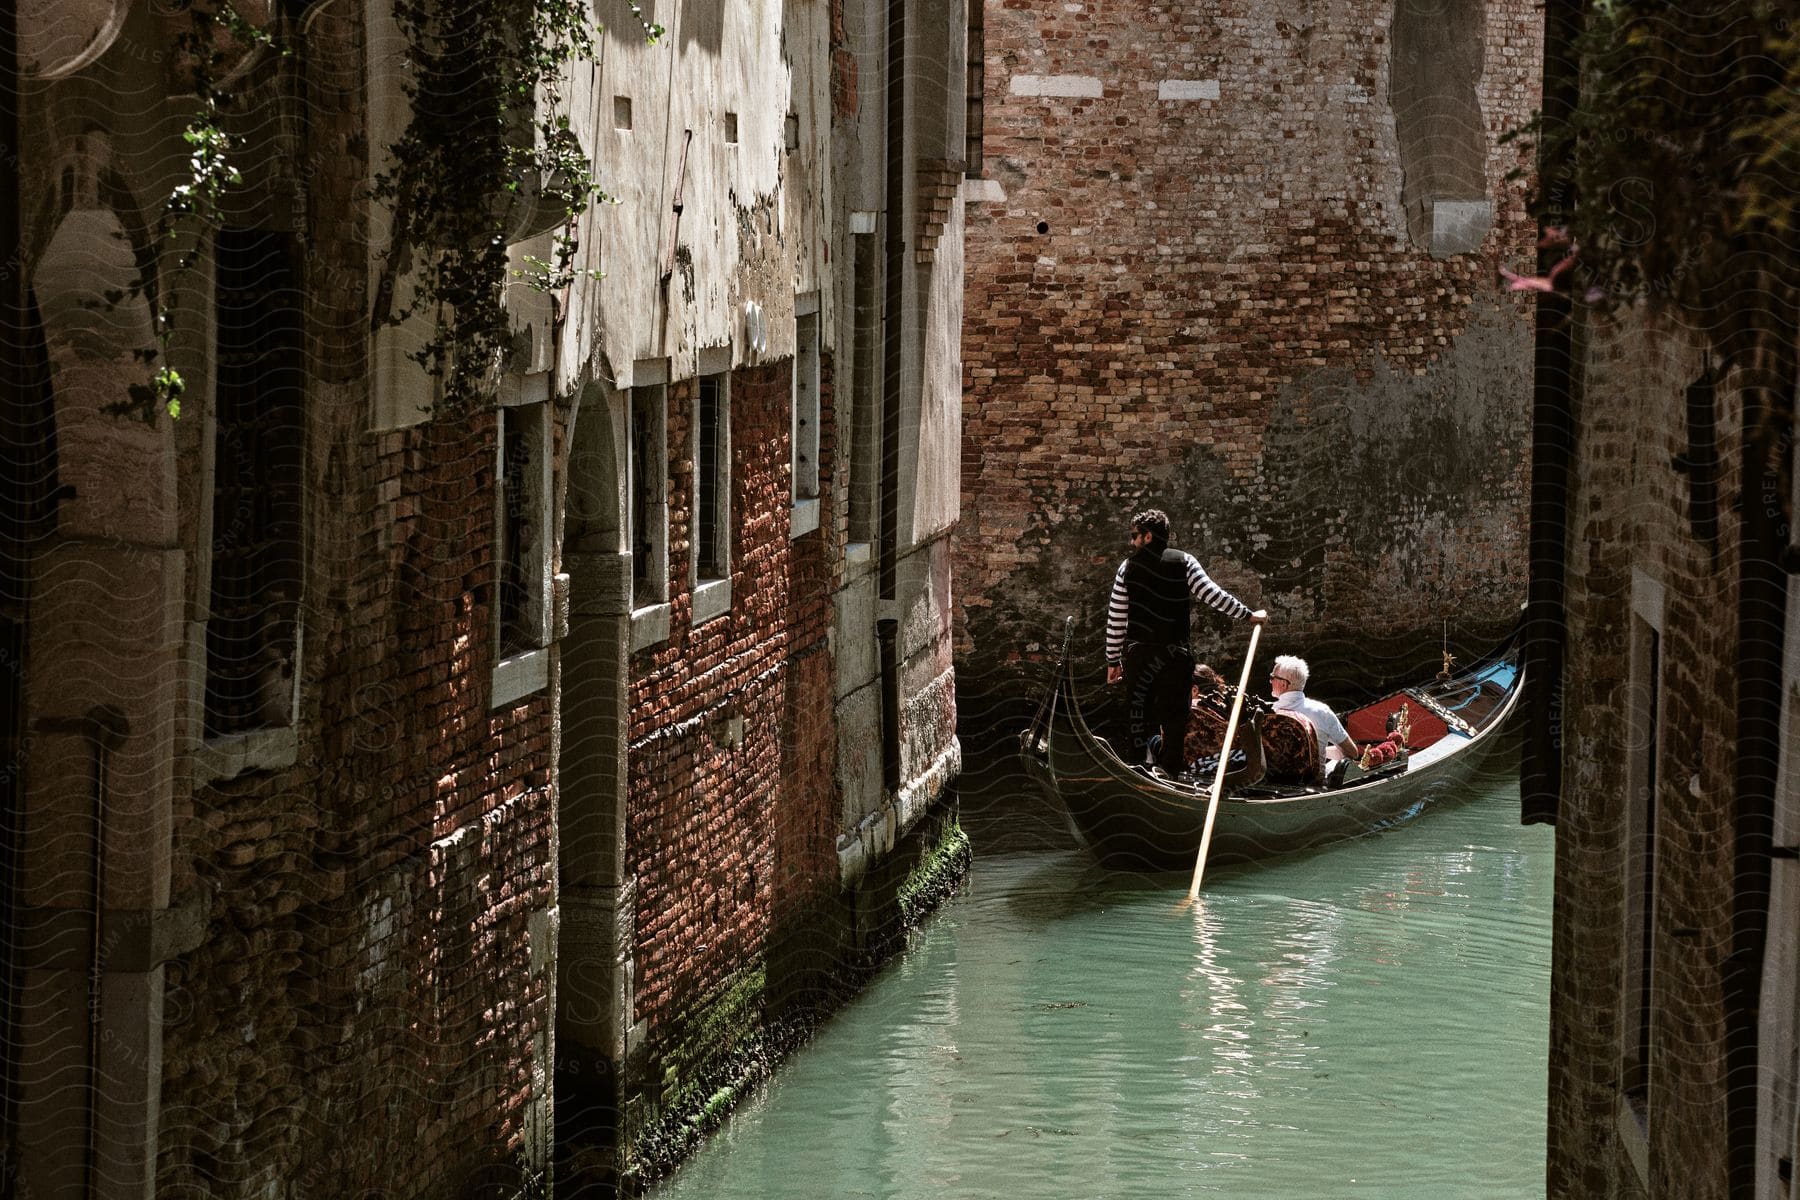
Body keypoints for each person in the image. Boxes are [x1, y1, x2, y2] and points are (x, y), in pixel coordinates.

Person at [1104, 509, 1266, 777]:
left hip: (1141, 657)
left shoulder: (1127, 567)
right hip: (1174, 657)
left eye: (1135, 536)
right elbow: (1212, 594)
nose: (1132, 542)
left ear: (1147, 536)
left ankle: (1136, 771)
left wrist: (1113, 661)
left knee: (1137, 718)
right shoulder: (1184, 561)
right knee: (1174, 721)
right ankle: (1169, 773)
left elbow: (1116, 618)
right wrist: (1247, 615)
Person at [1266, 654, 1360, 765]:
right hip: (1313, 781)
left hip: (1275, 779)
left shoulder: (1266, 713)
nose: (1270, 681)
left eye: (1272, 677)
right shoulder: (1322, 711)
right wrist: (1316, 750)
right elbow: (1352, 753)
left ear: (1283, 684)